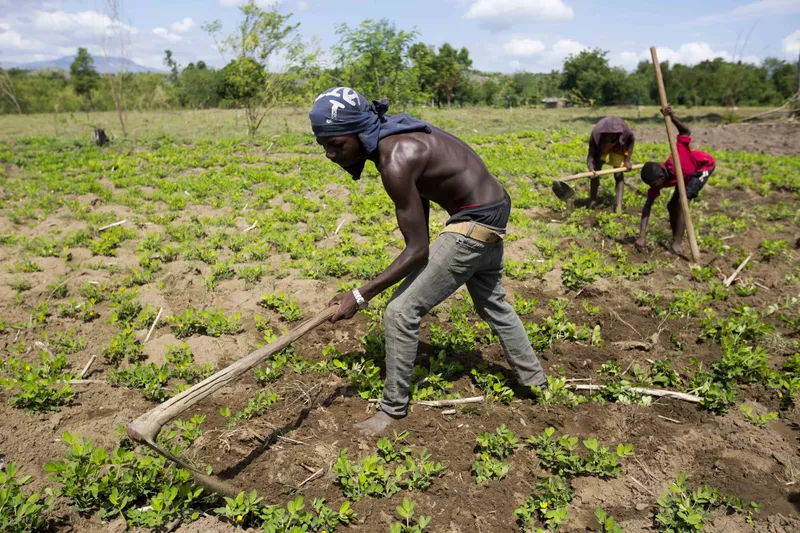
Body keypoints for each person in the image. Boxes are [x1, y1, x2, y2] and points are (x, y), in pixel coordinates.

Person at [309, 87, 547, 436]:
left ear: (359, 131)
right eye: (323, 145)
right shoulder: (393, 138)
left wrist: (359, 296)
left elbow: (418, 250)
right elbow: (417, 238)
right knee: (492, 303)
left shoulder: (395, 158)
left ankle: (392, 411)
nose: (330, 154)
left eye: (336, 144)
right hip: (494, 205)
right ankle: (536, 381)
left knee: (400, 311)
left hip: (474, 220)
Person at [635, 107, 715, 256]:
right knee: (672, 205)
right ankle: (676, 238)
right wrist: (642, 235)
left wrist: (672, 117)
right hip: (684, 177)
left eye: (653, 185)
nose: (652, 188)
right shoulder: (659, 180)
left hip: (702, 167)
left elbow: (685, 132)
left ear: (660, 178)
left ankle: (677, 244)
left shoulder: (678, 156)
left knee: (682, 202)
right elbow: (647, 206)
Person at [586, 116, 635, 212]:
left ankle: (618, 205)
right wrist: (591, 168)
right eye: (607, 135)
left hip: (619, 146)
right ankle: (592, 201)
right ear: (603, 134)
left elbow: (631, 141)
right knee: (595, 172)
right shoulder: (596, 135)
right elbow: (591, 154)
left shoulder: (626, 132)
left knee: (618, 173)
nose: (609, 137)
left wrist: (627, 161)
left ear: (618, 134)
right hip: (602, 147)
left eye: (612, 136)